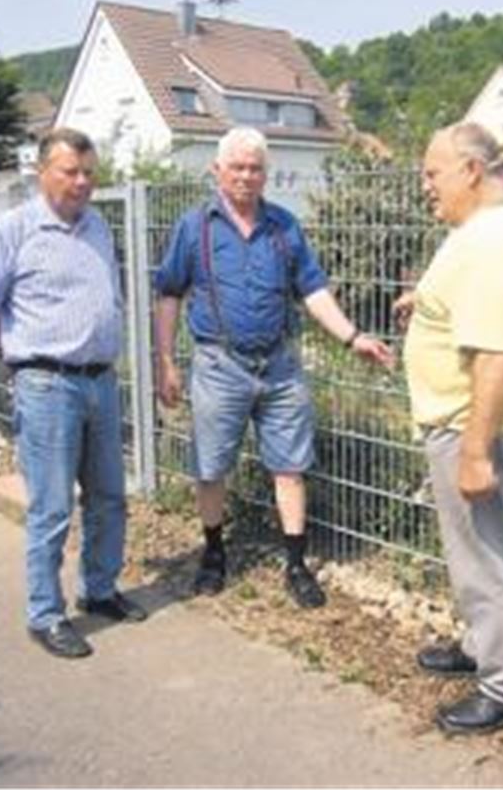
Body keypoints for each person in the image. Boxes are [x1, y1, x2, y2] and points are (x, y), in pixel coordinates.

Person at [155, 126, 393, 609]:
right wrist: (165, 362)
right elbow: (169, 294)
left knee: (290, 466)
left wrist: (352, 336)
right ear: (217, 171)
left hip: (280, 365)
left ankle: (296, 564)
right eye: (237, 167)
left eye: (255, 168)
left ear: (266, 174)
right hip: (219, 364)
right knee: (211, 466)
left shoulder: (285, 227)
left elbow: (313, 291)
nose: (246, 176)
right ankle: (214, 553)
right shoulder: (194, 226)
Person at [0, 127, 146, 660]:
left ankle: (99, 588)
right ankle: (45, 614)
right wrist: (19, 363)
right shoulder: (12, 230)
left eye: (90, 172)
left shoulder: (98, 229)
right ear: (43, 172)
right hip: (46, 385)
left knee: (110, 496)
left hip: (101, 382)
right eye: (71, 171)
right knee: (51, 508)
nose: (83, 182)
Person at [394, 121, 503, 734]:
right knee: (472, 551)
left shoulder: (488, 244)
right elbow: (470, 310)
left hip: (470, 426)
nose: (426, 185)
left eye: (433, 173)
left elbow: (494, 355)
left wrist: (475, 452)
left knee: (485, 555)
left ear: (471, 172)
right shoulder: (482, 234)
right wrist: (424, 304)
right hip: (461, 422)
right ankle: (484, 648)